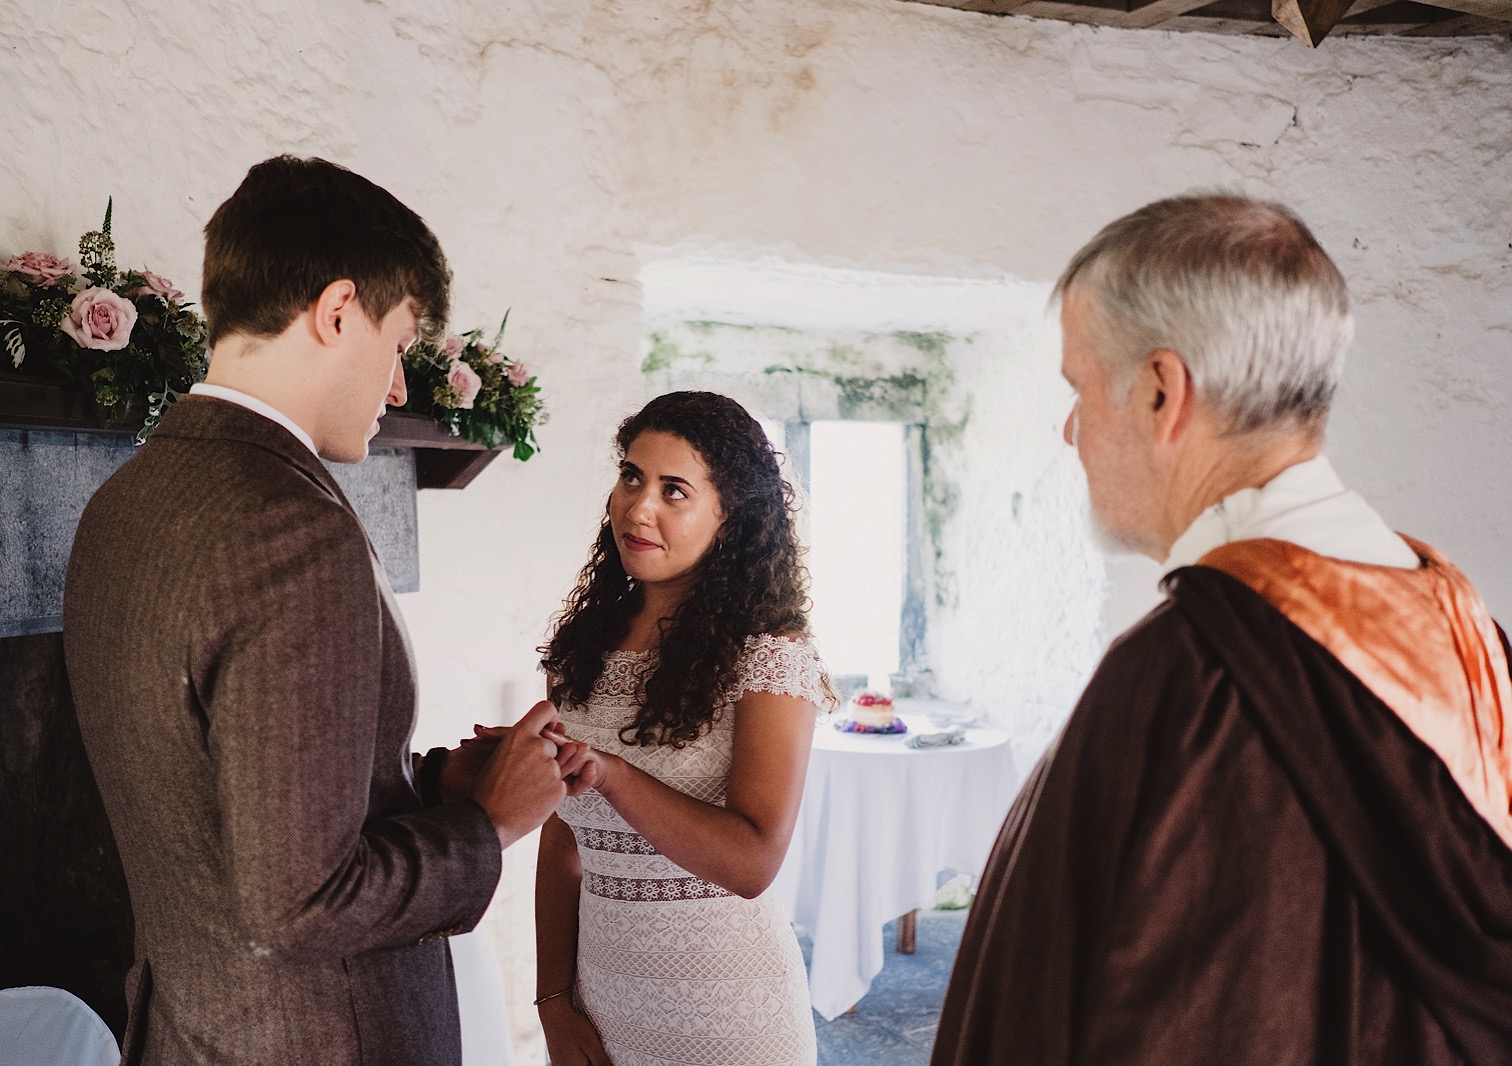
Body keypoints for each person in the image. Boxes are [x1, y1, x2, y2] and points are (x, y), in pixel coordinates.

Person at [931, 193, 1512, 1065]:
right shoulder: (1477, 642)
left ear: (1164, 392)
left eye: (1079, 390)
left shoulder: (1186, 682)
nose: (1070, 430)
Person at [62, 155, 587, 1065]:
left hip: (189, 1032)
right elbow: (302, 904)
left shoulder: (125, 499)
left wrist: (430, 790)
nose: (396, 388)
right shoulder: (295, 530)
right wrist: (490, 824)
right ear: (338, 310)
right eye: (399, 343)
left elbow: (218, 803)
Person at [532, 391, 833, 1066]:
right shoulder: (583, 644)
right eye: (632, 476)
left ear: (728, 518)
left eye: (675, 490)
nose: (639, 507)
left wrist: (611, 775)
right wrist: (553, 1002)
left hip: (730, 1012)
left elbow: (753, 863)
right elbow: (563, 834)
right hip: (602, 1000)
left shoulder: (770, 656)